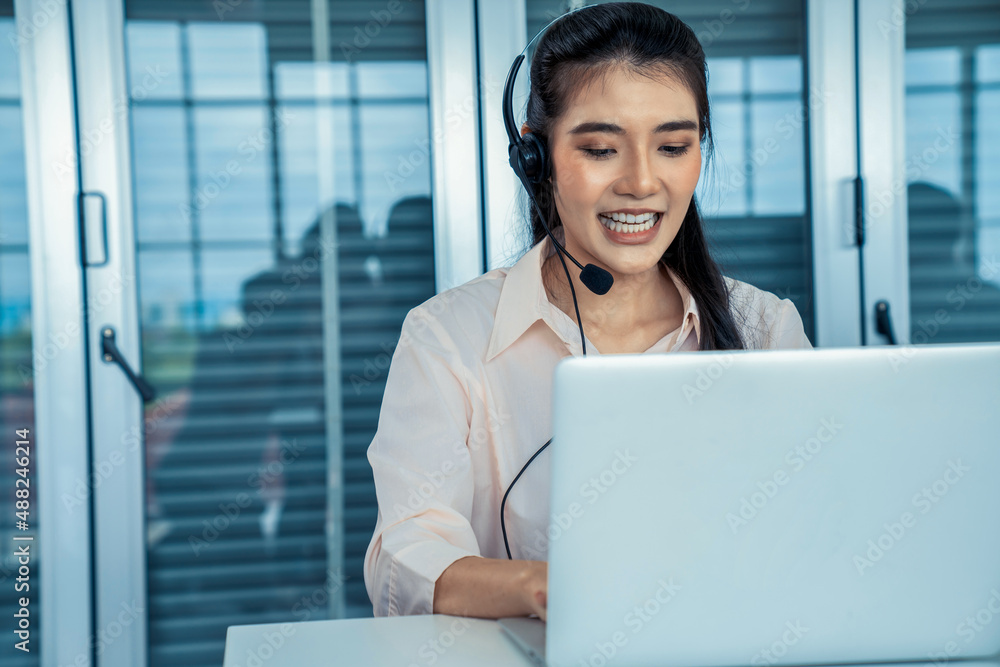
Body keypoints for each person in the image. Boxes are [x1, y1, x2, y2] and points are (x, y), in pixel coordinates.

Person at [363, 2, 812, 621]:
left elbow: (815, 529)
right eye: (601, 148)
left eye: (674, 145)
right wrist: (541, 588)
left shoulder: (765, 330)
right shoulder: (449, 339)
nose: (642, 182)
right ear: (535, 160)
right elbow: (407, 556)